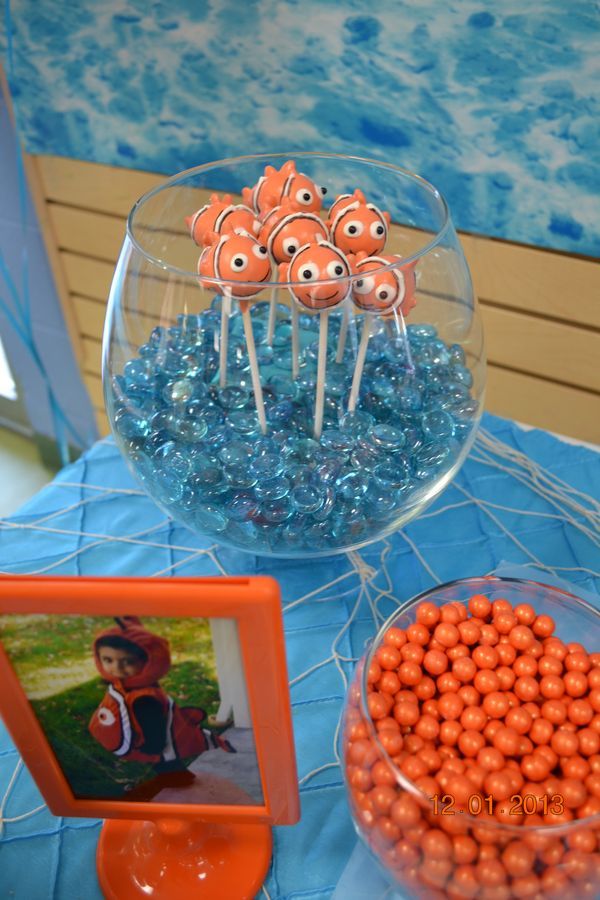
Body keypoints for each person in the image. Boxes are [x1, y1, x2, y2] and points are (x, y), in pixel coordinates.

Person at [88, 616, 235, 781]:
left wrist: (152, 748)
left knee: (166, 762)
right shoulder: (125, 684)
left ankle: (180, 781)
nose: (116, 668)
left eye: (128, 661)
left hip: (159, 746)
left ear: (148, 661)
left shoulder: (144, 699)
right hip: (145, 737)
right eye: (108, 660)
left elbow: (155, 733)